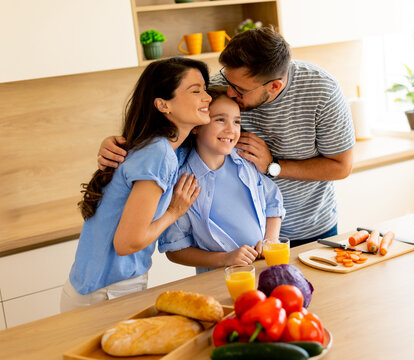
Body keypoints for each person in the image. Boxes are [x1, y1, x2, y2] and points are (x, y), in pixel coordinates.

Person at [97, 27, 355, 247]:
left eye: (239, 90)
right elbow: (173, 123)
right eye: (227, 82)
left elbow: (341, 167)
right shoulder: (224, 85)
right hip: (233, 244)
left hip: (308, 229)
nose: (228, 93)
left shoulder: (322, 91)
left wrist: (273, 166)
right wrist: (124, 145)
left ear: (274, 86)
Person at [60, 57, 212, 312]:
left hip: (97, 288)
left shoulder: (164, 148)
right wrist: (175, 211)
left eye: (205, 89)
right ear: (163, 105)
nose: (206, 97)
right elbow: (127, 243)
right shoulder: (158, 153)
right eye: (196, 91)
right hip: (107, 293)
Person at [159, 87, 286, 274]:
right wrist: (225, 259)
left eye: (236, 122)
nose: (231, 129)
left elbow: (273, 200)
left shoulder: (245, 161)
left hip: (261, 268)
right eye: (220, 119)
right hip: (218, 281)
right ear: (196, 126)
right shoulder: (183, 183)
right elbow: (175, 249)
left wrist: (270, 241)